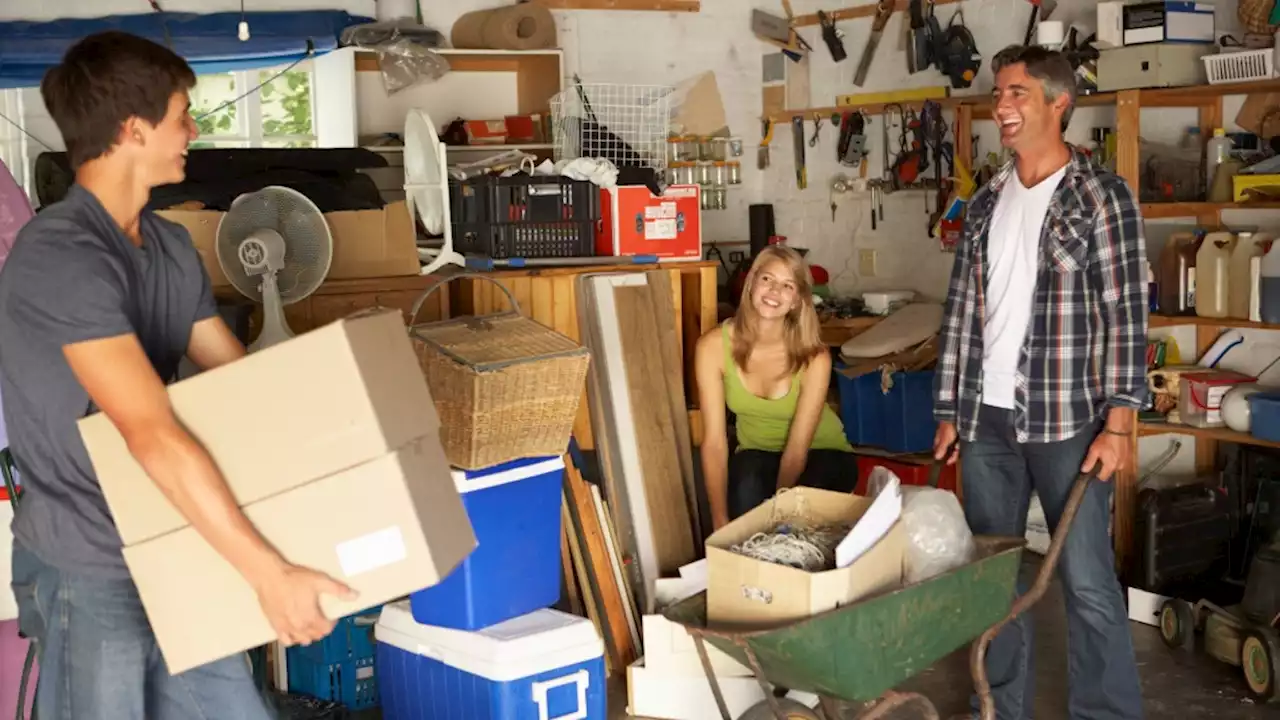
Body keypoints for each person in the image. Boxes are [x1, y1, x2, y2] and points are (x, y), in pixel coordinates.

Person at [0, 31, 356, 718]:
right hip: (88, 562)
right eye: (181, 114)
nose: (194, 130)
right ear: (133, 129)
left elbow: (236, 382)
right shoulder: (60, 256)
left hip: (179, 542)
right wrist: (268, 573)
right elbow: (150, 433)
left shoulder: (167, 245)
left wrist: (340, 446)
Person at [932, 45, 1147, 720]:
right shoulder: (989, 198)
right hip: (986, 419)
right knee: (991, 583)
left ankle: (1106, 714)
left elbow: (1126, 316)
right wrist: (949, 407)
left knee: (1086, 584)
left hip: (1068, 424)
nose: (1002, 106)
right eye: (999, 94)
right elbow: (962, 309)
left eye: (1018, 93)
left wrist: (1118, 424)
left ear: (1059, 103)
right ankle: (997, 709)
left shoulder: (1101, 196)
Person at [696, 245, 855, 530]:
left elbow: (797, 449)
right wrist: (720, 521)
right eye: (767, 279)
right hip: (756, 452)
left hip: (821, 453)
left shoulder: (814, 356)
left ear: (797, 300)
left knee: (801, 509)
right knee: (745, 494)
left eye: (787, 285)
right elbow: (714, 443)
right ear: (751, 283)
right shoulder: (712, 347)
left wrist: (780, 516)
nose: (773, 292)